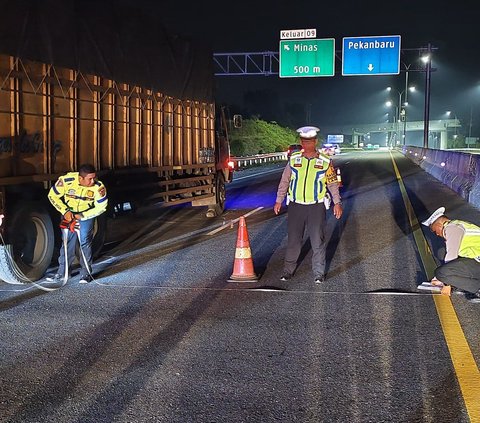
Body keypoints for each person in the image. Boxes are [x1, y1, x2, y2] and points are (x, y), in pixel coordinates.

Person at [273, 126, 343, 283]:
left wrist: (337, 202)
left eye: (310, 142)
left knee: (317, 240)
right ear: (301, 142)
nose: (307, 145)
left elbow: (332, 184)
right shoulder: (294, 159)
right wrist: (279, 200)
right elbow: (285, 181)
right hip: (296, 206)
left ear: (315, 142)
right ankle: (287, 271)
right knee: (293, 240)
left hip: (315, 207)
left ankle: (319, 273)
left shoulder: (325, 162)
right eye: (304, 142)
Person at [47, 163, 108, 284]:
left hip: (85, 216)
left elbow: (102, 206)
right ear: (81, 178)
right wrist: (65, 211)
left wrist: (83, 216)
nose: (93, 181)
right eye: (89, 179)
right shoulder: (66, 181)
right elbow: (52, 195)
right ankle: (63, 272)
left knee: (85, 242)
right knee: (67, 242)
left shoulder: (98, 187)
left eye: (94, 177)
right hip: (69, 215)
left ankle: (86, 273)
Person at [421, 206, 480, 303]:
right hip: (477, 258)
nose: (436, 234)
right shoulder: (456, 224)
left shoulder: (452, 228)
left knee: (442, 273)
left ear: (439, 225)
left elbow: (451, 257)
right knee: (441, 253)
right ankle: (462, 282)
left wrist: (446, 283)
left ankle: (477, 288)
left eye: (434, 230)